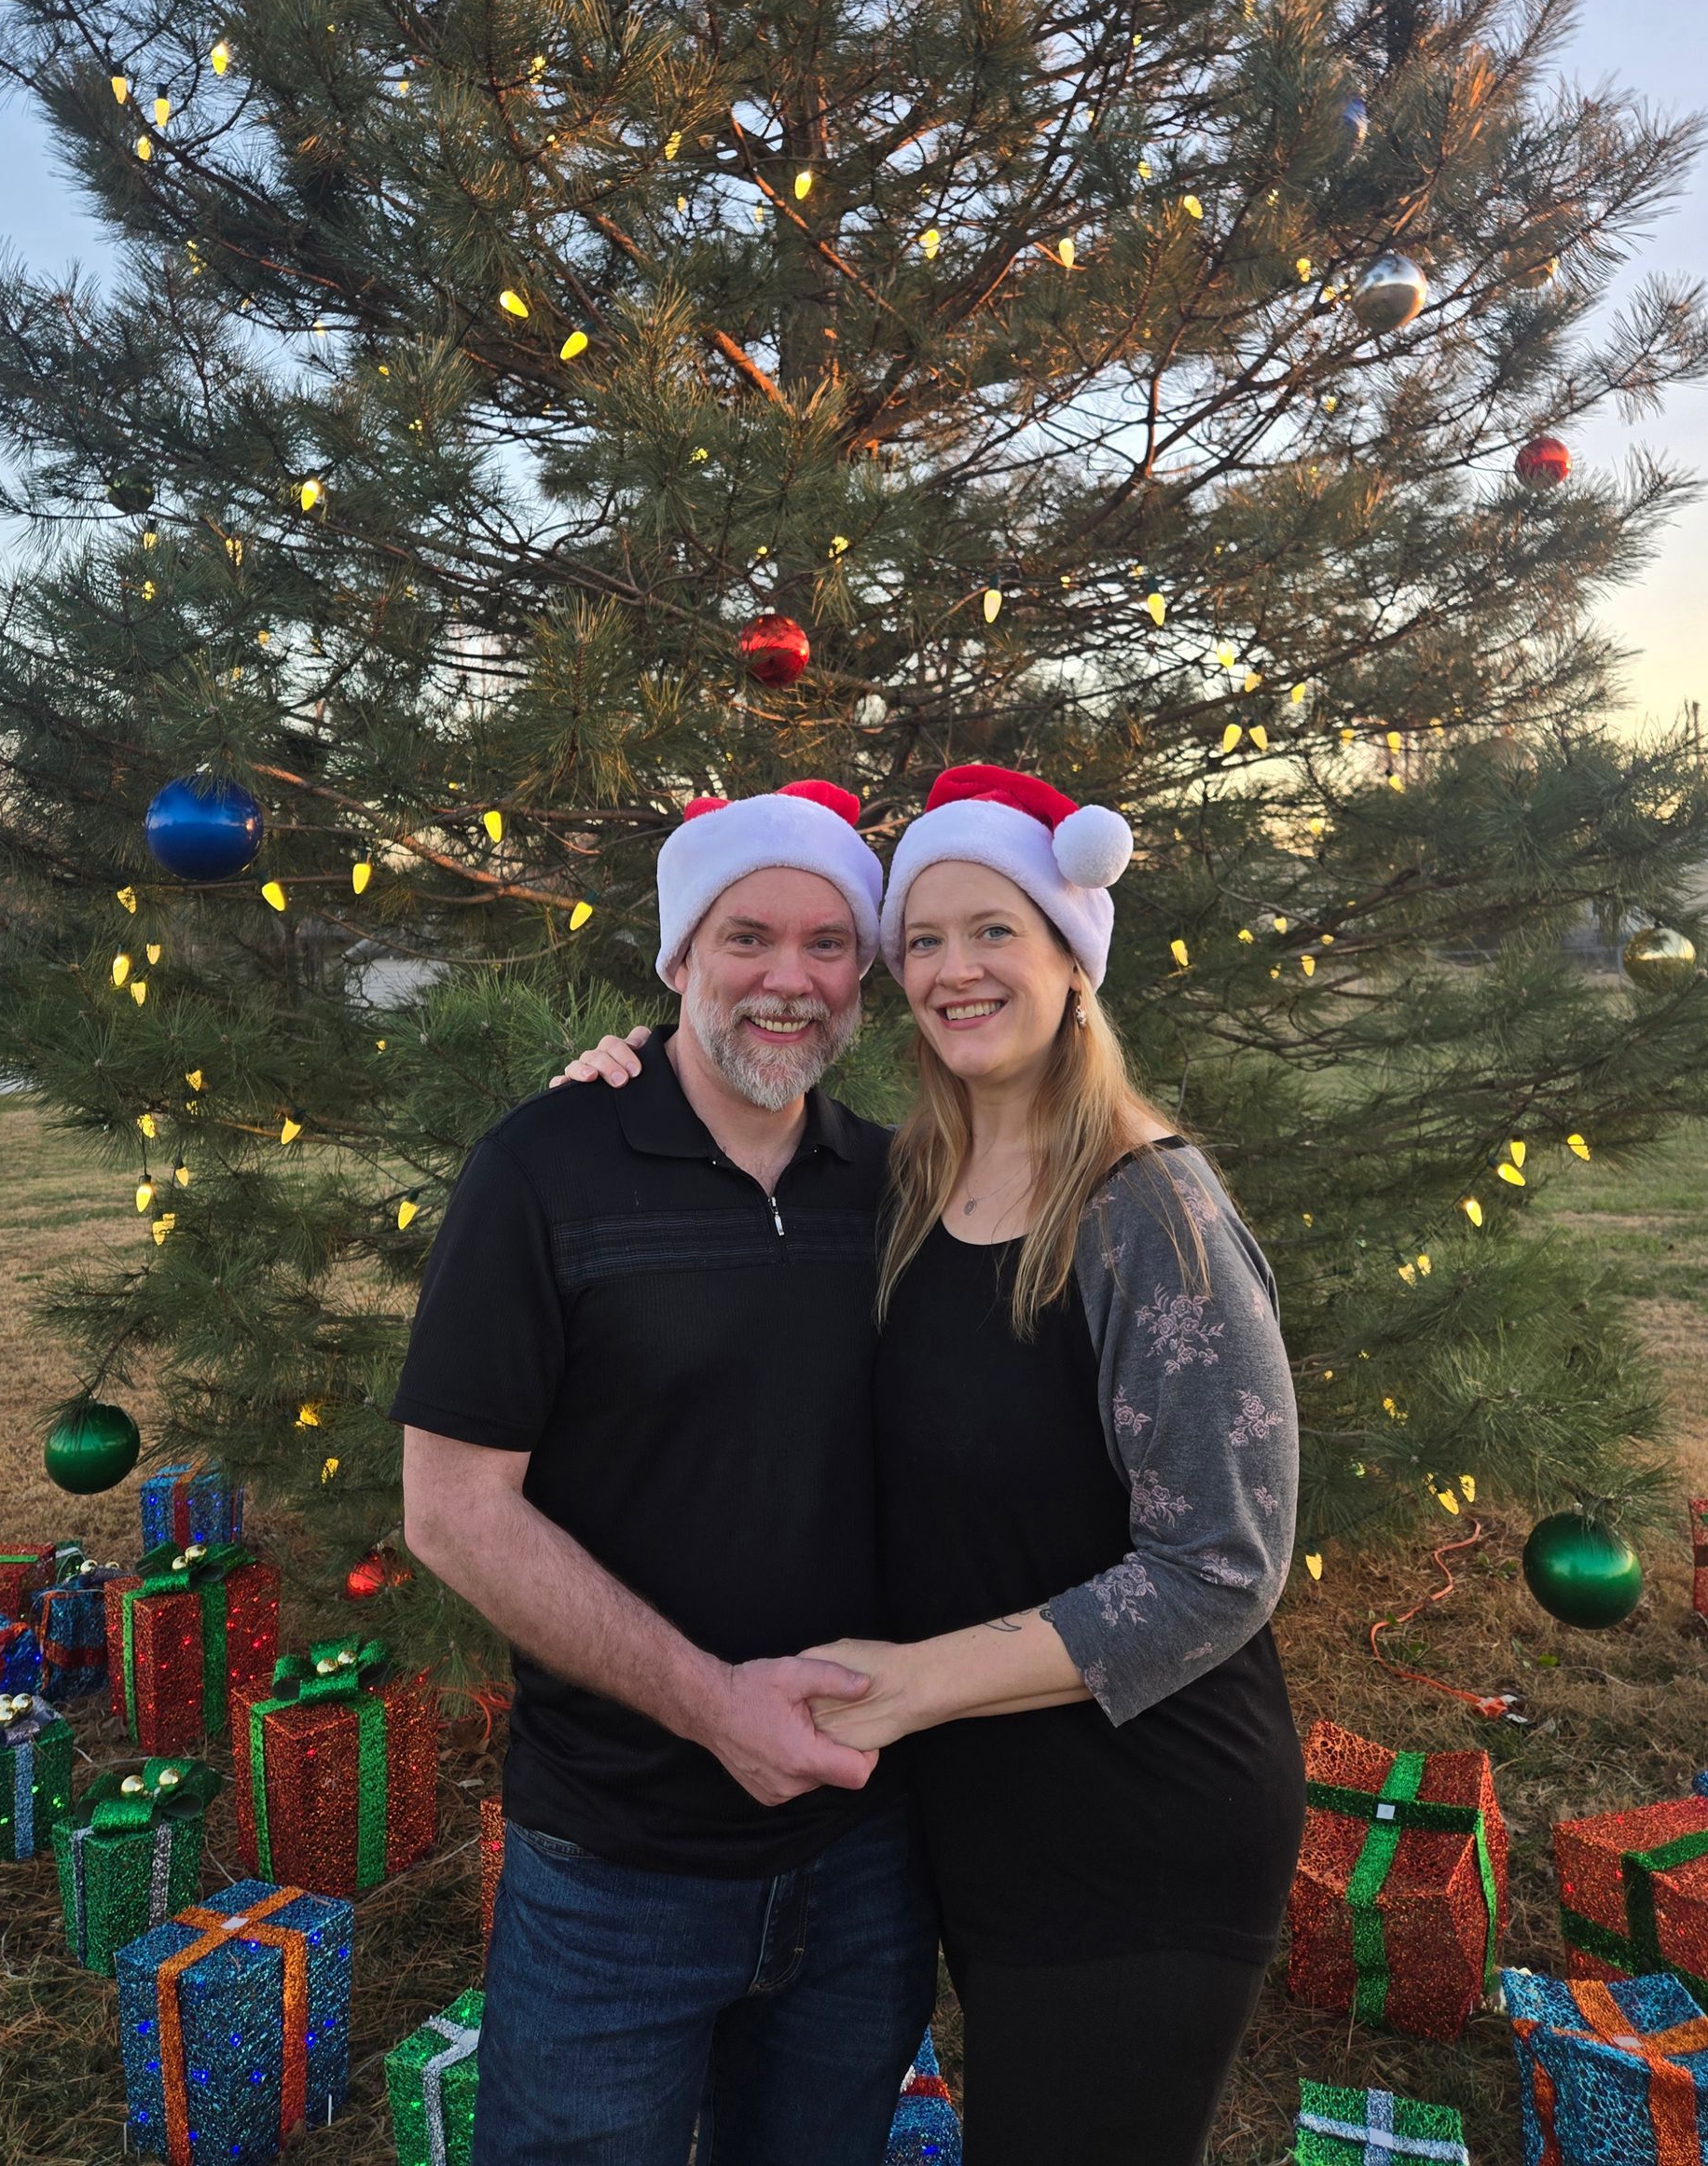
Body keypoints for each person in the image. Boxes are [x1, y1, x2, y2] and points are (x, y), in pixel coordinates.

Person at [561, 764, 1307, 2166]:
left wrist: (909, 1684)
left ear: (1072, 960)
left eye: (994, 931)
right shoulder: (907, 1182)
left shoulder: (1151, 1209)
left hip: (1139, 1822)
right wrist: (624, 1077)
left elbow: (1221, 1566)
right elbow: (726, 1128)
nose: (953, 968)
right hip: (972, 1818)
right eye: (922, 938)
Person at [391, 779, 939, 2166]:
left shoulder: (898, 1187)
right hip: (616, 1871)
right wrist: (713, 1707)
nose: (790, 979)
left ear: (864, 976)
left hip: (866, 1859)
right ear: (677, 957)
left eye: (829, 945)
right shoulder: (542, 1170)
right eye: (747, 937)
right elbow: (452, 1509)